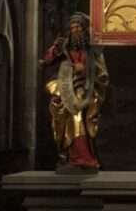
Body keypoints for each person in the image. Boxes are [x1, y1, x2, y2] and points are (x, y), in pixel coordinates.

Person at [41, 12, 109, 171]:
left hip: (85, 91)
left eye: (78, 27)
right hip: (65, 88)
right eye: (72, 28)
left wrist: (85, 70)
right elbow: (49, 60)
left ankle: (84, 159)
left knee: (77, 119)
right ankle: (71, 156)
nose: (75, 31)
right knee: (64, 120)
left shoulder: (93, 51)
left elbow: (102, 75)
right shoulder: (64, 46)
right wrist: (53, 51)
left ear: (84, 30)